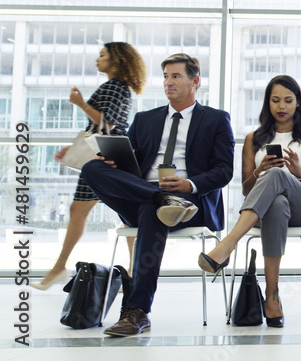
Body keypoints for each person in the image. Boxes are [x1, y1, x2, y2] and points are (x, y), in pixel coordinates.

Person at [81, 53, 235, 336]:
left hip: (189, 203)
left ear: (195, 81)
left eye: (176, 76)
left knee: (151, 213)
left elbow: (224, 171)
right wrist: (114, 162)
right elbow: (130, 163)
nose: (168, 82)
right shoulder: (145, 119)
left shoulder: (215, 120)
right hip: (146, 193)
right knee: (92, 169)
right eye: (165, 76)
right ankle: (158, 198)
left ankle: (137, 311)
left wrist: (189, 185)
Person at [198, 75, 301, 327]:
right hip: (268, 209)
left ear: (298, 103)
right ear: (267, 104)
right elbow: (248, 189)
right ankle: (272, 297)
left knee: (279, 174)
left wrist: (299, 173)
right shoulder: (254, 138)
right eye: (275, 100)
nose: (282, 106)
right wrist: (260, 171)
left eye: (288, 101)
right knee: (277, 202)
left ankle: (229, 242)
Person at [33, 42, 146, 291]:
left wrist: (80, 103)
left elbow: (108, 124)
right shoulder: (115, 87)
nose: (98, 59)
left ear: (117, 60)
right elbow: (100, 126)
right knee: (113, 215)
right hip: (106, 154)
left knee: (114, 215)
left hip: (108, 157)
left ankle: (62, 267)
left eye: (103, 55)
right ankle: (132, 270)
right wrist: (72, 148)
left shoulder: (116, 87)